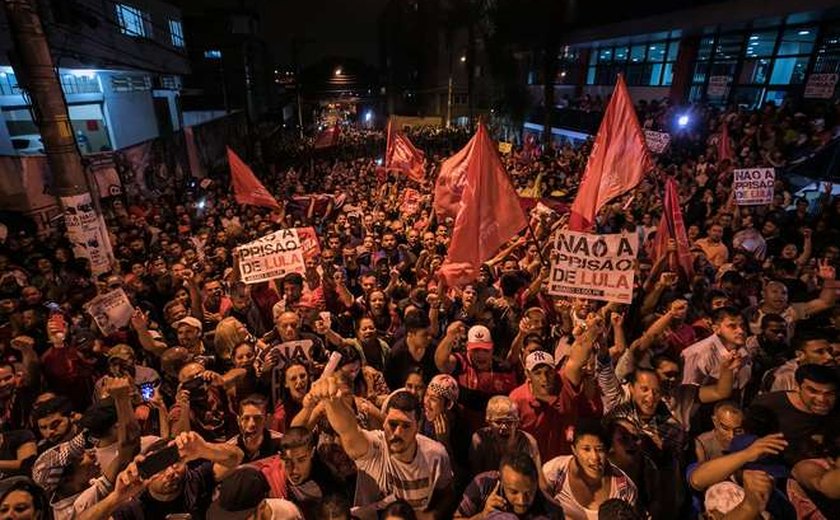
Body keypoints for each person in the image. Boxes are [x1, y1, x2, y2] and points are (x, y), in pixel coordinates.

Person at [306, 375, 454, 519]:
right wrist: (333, 402)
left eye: (406, 426)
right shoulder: (376, 448)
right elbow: (348, 430)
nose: (397, 433)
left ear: (417, 426)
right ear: (384, 422)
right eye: (393, 424)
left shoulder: (436, 454)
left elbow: (447, 493)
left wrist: (432, 515)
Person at [83, 431, 244, 520]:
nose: (170, 473)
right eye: (159, 468)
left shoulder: (194, 480)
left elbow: (236, 457)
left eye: (176, 464)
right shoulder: (134, 509)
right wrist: (115, 498)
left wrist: (205, 449)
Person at [542, 420, 637, 520]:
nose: (594, 457)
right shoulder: (555, 471)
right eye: (586, 449)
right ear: (574, 450)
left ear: (607, 450)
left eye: (599, 449)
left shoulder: (625, 489)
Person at [746, 363, 838, 465]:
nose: (822, 399)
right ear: (797, 387)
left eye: (829, 393)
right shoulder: (768, 405)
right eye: (813, 391)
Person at [455, 453, 562, 519]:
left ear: (536, 484)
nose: (521, 501)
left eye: (528, 493)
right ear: (500, 481)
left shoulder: (552, 510)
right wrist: (482, 516)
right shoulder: (483, 485)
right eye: (514, 492)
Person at [469, 396, 541, 476]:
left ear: (517, 422)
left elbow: (536, 476)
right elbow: (475, 476)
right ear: (488, 422)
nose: (504, 427)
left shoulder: (528, 442)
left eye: (509, 422)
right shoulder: (480, 440)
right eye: (498, 422)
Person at [227, 394, 282, 462]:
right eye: (246, 418)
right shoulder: (229, 449)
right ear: (239, 421)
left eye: (257, 418)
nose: (252, 424)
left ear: (266, 419)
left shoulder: (280, 442)